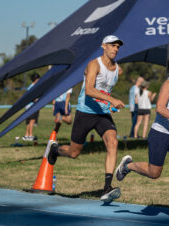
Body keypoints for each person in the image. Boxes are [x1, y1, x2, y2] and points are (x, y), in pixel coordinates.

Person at [115, 52, 169, 223]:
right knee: (155, 173)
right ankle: (128, 166)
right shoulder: (168, 85)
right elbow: (160, 108)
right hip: (160, 132)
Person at [47, 35, 125, 203]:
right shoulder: (94, 64)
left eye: (118, 46)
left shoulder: (118, 70)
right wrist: (111, 100)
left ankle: (107, 188)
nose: (115, 49)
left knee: (113, 143)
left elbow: (105, 91)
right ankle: (55, 150)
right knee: (74, 153)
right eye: (112, 45)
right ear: (103, 45)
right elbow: (89, 90)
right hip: (85, 112)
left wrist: (110, 104)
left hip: (103, 114)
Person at [22, 72, 40, 142]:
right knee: (32, 121)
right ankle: (30, 135)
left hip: (28, 106)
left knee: (28, 122)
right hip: (31, 106)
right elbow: (32, 98)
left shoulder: (30, 86)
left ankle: (26, 135)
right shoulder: (33, 87)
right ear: (36, 79)